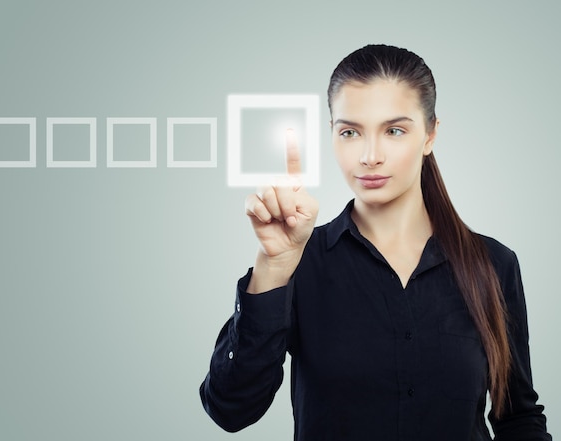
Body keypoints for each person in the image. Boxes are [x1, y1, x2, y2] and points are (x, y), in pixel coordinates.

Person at [199, 44, 552, 440]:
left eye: (394, 130)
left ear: (431, 134)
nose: (369, 156)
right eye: (350, 132)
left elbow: (518, 418)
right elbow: (230, 408)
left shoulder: (494, 264)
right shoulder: (299, 261)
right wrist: (274, 265)